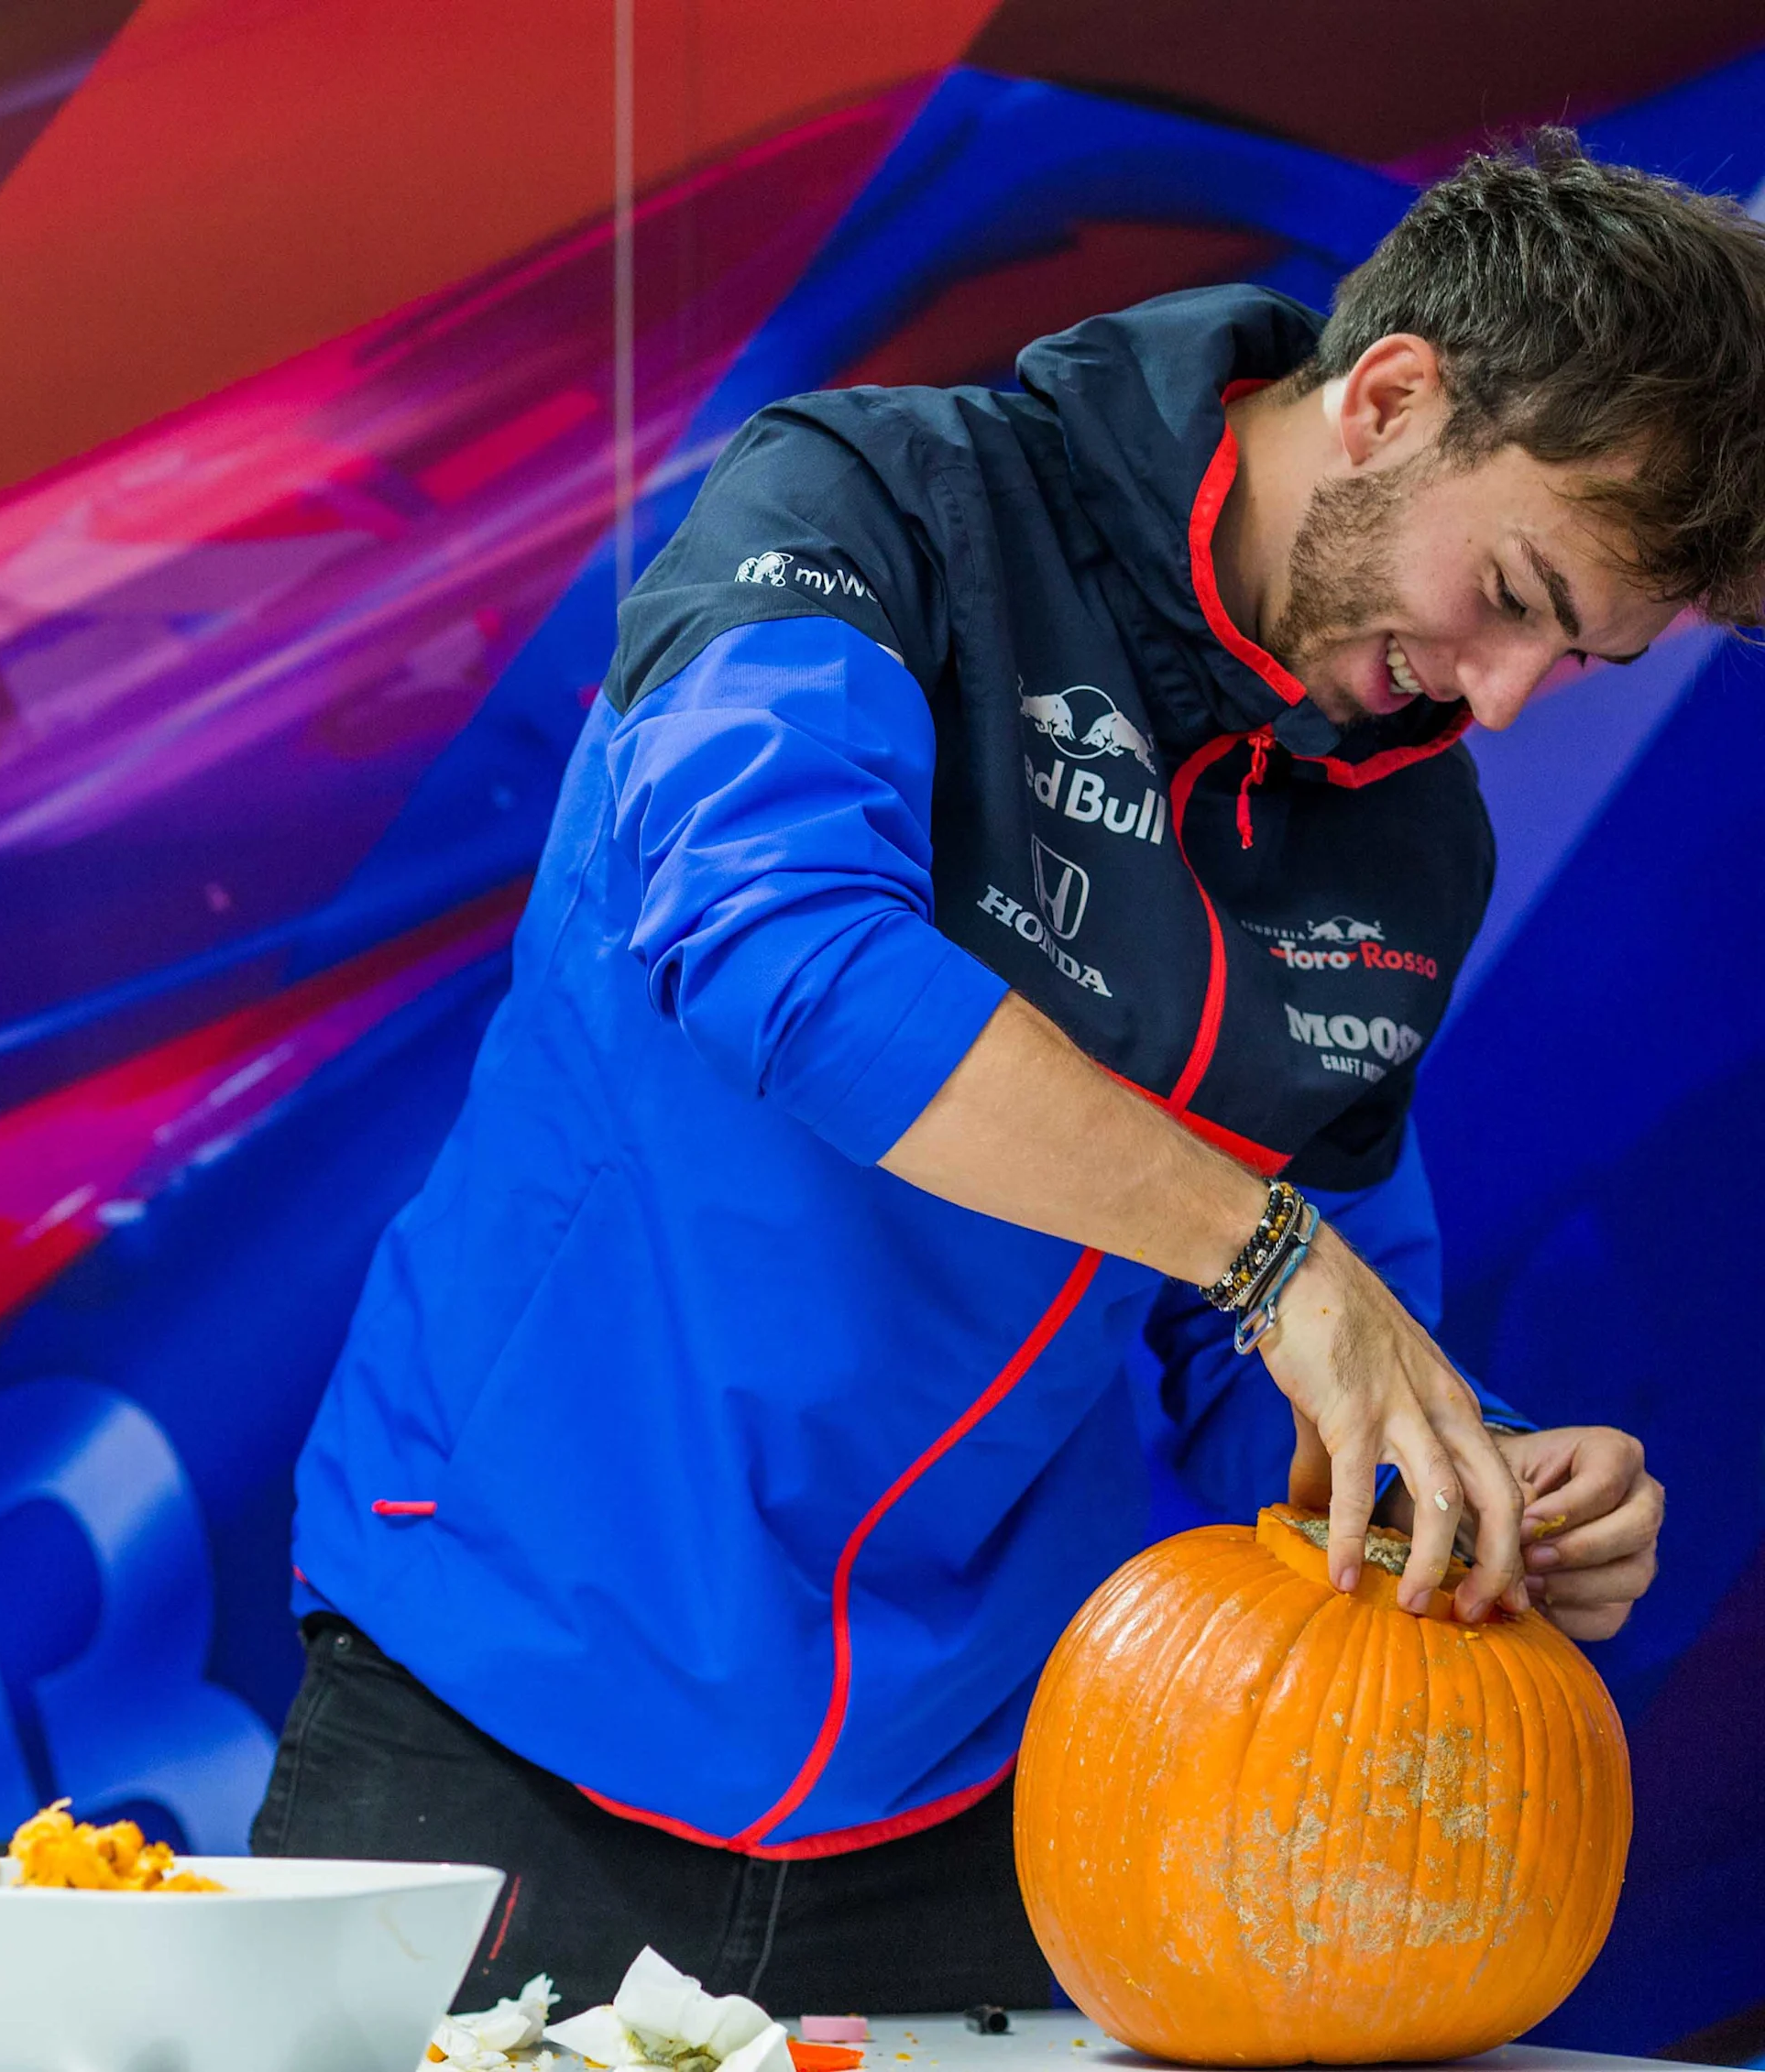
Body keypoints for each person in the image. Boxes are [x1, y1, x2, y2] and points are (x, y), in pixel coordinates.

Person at [263, 132, 1733, 2015]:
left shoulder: (1406, 831)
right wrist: (1278, 1261)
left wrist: (1461, 1479)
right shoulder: (872, 501)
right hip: (494, 1697)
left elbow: (1259, 1386)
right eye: (1517, 590)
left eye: (1581, 659)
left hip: (992, 1798)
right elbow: (771, 951)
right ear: (1386, 398)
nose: (1505, 699)